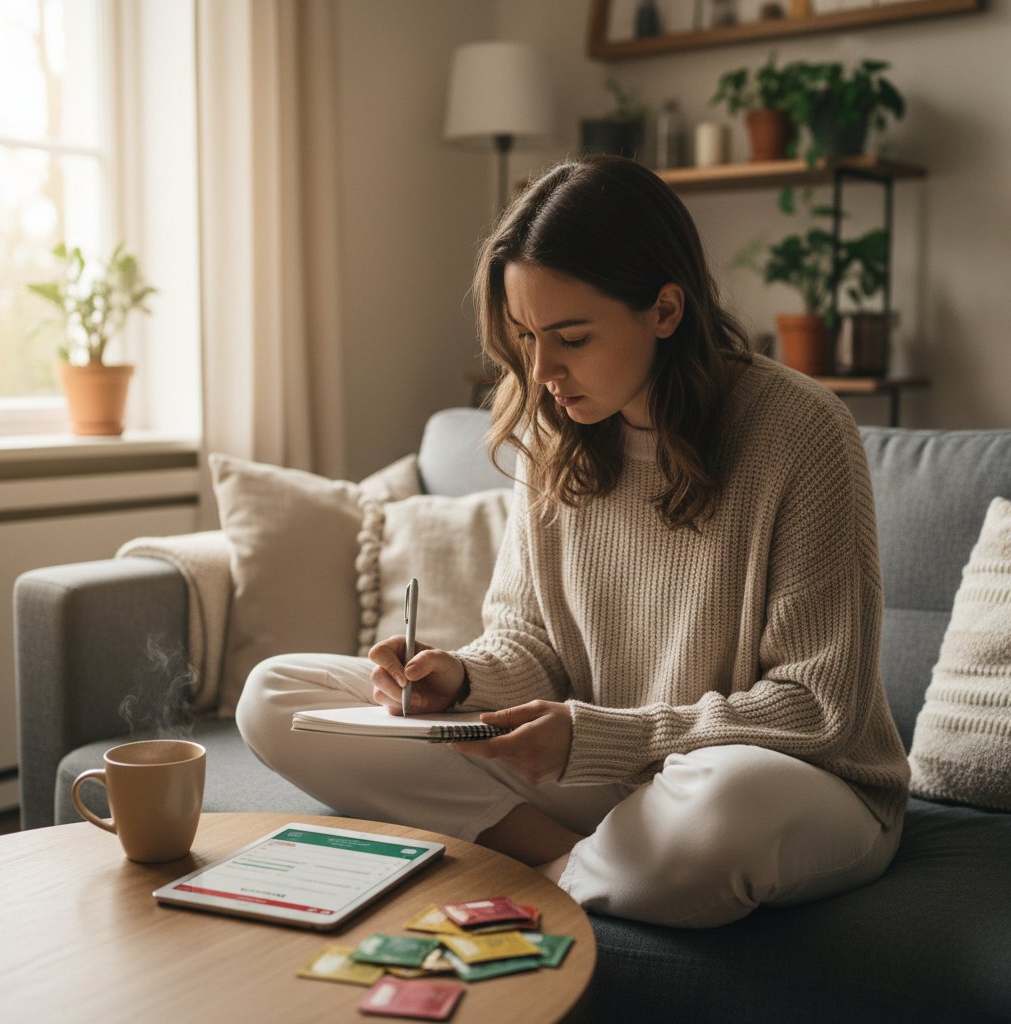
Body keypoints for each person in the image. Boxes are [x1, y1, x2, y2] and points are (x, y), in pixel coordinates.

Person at [236, 156, 910, 928]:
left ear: (665, 310)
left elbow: (816, 707)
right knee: (276, 696)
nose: (541, 369)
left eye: (571, 337)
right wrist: (459, 680)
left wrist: (600, 737)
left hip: (790, 781)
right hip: (603, 768)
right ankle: (560, 862)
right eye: (525, 335)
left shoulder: (802, 431)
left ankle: (579, 865)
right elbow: (532, 645)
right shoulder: (552, 429)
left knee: (721, 812)